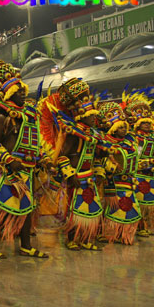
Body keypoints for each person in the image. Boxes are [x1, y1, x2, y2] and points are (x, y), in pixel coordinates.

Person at [0, 61, 49, 259]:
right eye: (18, 91)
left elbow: (34, 142)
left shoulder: (31, 116)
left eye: (23, 90)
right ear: (8, 94)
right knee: (4, 208)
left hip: (29, 169)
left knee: (27, 210)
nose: (23, 93)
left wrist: (44, 159)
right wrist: (8, 160)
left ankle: (25, 246)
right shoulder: (2, 116)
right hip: (11, 169)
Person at [40, 77, 104, 251]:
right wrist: (70, 174)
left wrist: (99, 172)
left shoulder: (94, 135)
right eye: (90, 117)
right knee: (73, 211)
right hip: (76, 178)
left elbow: (95, 157)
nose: (93, 120)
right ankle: (71, 239)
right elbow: (62, 156)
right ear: (82, 116)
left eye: (94, 117)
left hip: (88, 177)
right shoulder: (73, 133)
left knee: (90, 210)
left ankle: (86, 238)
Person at [122, 90, 154, 237]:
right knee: (137, 204)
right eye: (144, 123)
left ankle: (144, 226)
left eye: (149, 122)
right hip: (138, 176)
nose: (147, 125)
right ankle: (136, 228)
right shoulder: (132, 138)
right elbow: (131, 159)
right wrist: (147, 163)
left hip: (151, 176)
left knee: (148, 206)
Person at [97, 101, 141, 245]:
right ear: (113, 129)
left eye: (124, 126)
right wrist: (110, 166)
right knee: (110, 207)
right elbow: (99, 159)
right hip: (111, 182)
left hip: (128, 181)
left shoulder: (130, 141)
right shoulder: (105, 141)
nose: (123, 129)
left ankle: (124, 233)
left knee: (128, 205)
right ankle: (106, 232)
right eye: (120, 127)